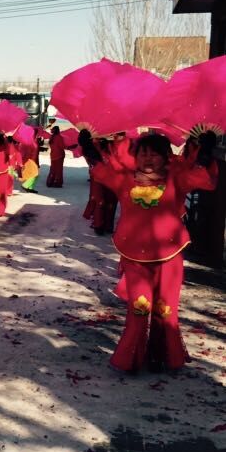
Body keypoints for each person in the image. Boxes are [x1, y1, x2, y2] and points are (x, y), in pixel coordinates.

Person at [82, 130, 218, 373]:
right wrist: (90, 151)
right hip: (134, 256)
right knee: (139, 308)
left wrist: (205, 154)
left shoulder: (176, 179)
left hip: (169, 255)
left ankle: (162, 356)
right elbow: (102, 172)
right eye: (143, 153)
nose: (147, 159)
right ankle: (131, 359)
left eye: (154, 154)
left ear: (166, 157)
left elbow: (203, 180)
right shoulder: (125, 179)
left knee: (165, 310)